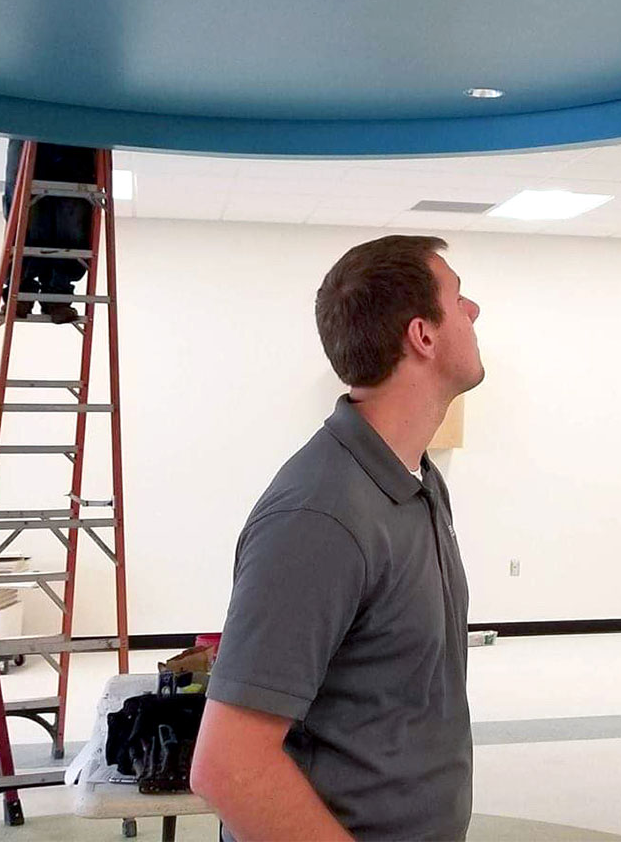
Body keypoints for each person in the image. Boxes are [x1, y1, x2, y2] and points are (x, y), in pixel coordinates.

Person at [192, 235, 482, 841]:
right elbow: (228, 766)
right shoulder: (320, 516)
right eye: (459, 299)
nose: (475, 311)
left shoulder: (417, 480)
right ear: (422, 335)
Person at [0, 139, 99, 323]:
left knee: (71, 213)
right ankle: (22, 292)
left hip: (76, 130)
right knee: (26, 212)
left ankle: (54, 294)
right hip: (36, 124)